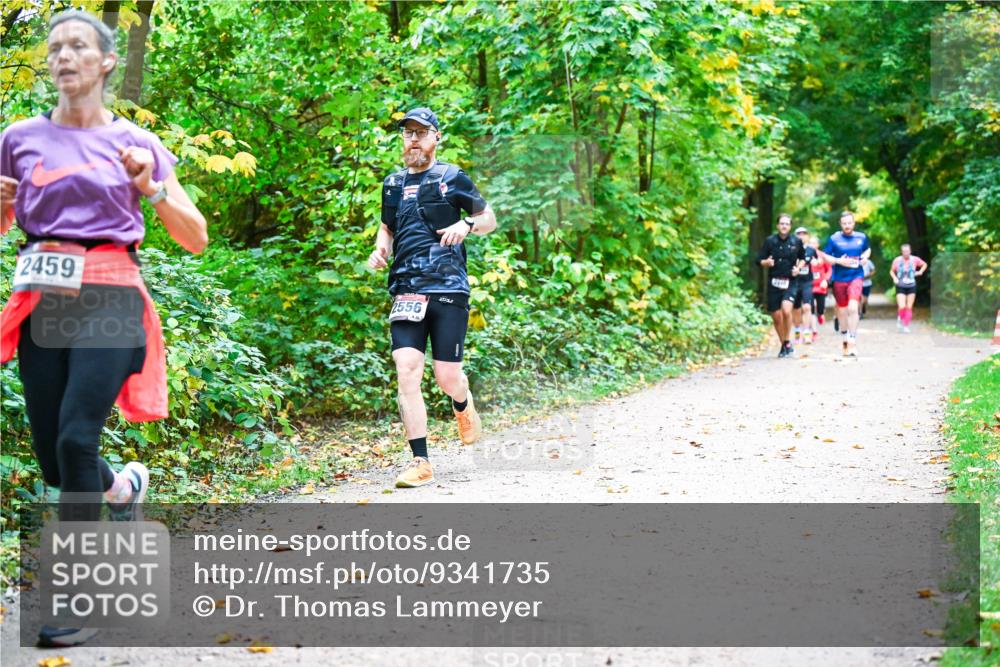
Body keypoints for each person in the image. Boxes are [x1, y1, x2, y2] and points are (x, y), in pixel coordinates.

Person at [0, 9, 208, 647]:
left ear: (106, 62)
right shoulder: (17, 138)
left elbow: (196, 237)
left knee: (75, 437)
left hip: (113, 291)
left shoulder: (136, 143)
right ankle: (123, 489)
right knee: (56, 459)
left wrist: (153, 189)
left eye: (78, 46)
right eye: (55, 47)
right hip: (44, 295)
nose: (64, 56)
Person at [368, 108, 497, 488]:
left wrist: (466, 224)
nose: (414, 139)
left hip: (447, 287)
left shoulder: (452, 177)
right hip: (406, 289)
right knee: (406, 369)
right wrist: (380, 249)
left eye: (421, 133)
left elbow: (489, 219)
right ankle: (421, 461)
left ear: (436, 137)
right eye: (408, 133)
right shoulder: (392, 184)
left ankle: (462, 402)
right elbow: (387, 227)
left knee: (446, 377)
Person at [819, 211, 870, 357]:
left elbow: (867, 249)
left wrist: (865, 257)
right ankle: (845, 337)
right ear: (840, 224)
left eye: (849, 223)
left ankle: (852, 340)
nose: (847, 225)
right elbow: (825, 255)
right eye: (844, 223)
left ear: (854, 223)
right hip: (839, 279)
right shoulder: (834, 239)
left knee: (853, 308)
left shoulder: (861, 237)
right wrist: (838, 261)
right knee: (842, 310)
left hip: (856, 276)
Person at [757, 213, 805, 358]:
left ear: (790, 226)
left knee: (786, 310)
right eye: (782, 223)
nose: (784, 226)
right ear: (778, 226)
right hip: (774, 282)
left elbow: (803, 258)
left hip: (790, 281)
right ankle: (784, 344)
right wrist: (766, 262)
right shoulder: (770, 241)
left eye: (787, 224)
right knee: (777, 316)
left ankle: (787, 341)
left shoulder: (796, 241)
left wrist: (798, 268)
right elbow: (759, 260)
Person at [890, 243, 926, 333]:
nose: (906, 253)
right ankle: (900, 318)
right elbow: (891, 271)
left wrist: (920, 271)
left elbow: (924, 264)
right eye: (904, 251)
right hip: (900, 285)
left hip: (911, 285)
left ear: (910, 251)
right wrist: (894, 278)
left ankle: (905, 325)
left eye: (907, 251)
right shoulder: (897, 260)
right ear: (901, 252)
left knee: (909, 307)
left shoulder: (915, 259)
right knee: (902, 306)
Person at [791, 226, 816, 345]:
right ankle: (797, 331)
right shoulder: (791, 248)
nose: (801, 236)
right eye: (799, 234)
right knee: (796, 309)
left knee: (807, 307)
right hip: (794, 282)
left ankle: (806, 333)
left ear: (807, 236)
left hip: (807, 282)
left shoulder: (811, 250)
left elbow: (817, 261)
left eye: (804, 234)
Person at [809, 236, 831, 340]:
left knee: (820, 309)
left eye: (814, 243)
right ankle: (814, 331)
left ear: (818, 245)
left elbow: (829, 270)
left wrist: (825, 280)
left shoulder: (822, 255)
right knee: (811, 308)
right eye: (810, 243)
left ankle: (821, 314)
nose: (812, 245)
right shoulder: (805, 255)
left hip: (821, 287)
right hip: (809, 286)